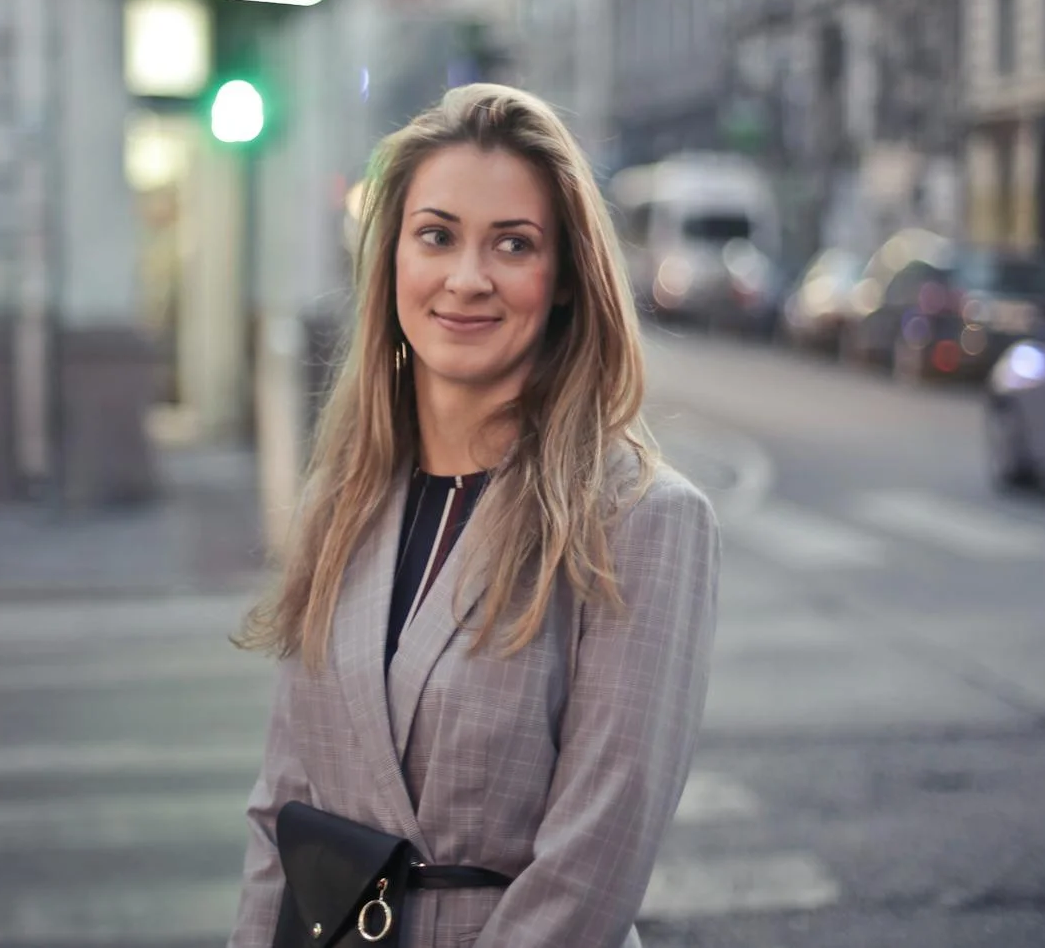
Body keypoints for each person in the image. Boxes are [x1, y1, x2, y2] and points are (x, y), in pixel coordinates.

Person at [229, 84, 721, 948]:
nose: (467, 277)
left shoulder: (641, 520)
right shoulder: (337, 502)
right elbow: (281, 812)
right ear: (391, 263)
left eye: (514, 244)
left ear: (565, 279)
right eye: (437, 235)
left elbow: (595, 860)